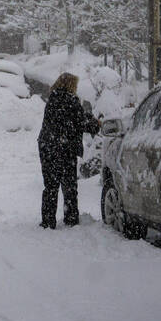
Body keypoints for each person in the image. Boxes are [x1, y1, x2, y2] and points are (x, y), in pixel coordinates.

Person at [37, 72, 99, 229]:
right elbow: (80, 122)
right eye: (75, 85)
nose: (76, 88)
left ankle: (48, 220)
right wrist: (96, 124)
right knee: (69, 186)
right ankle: (71, 218)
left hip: (47, 147)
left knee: (50, 186)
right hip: (65, 149)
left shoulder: (52, 99)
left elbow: (71, 119)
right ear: (71, 85)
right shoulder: (71, 100)